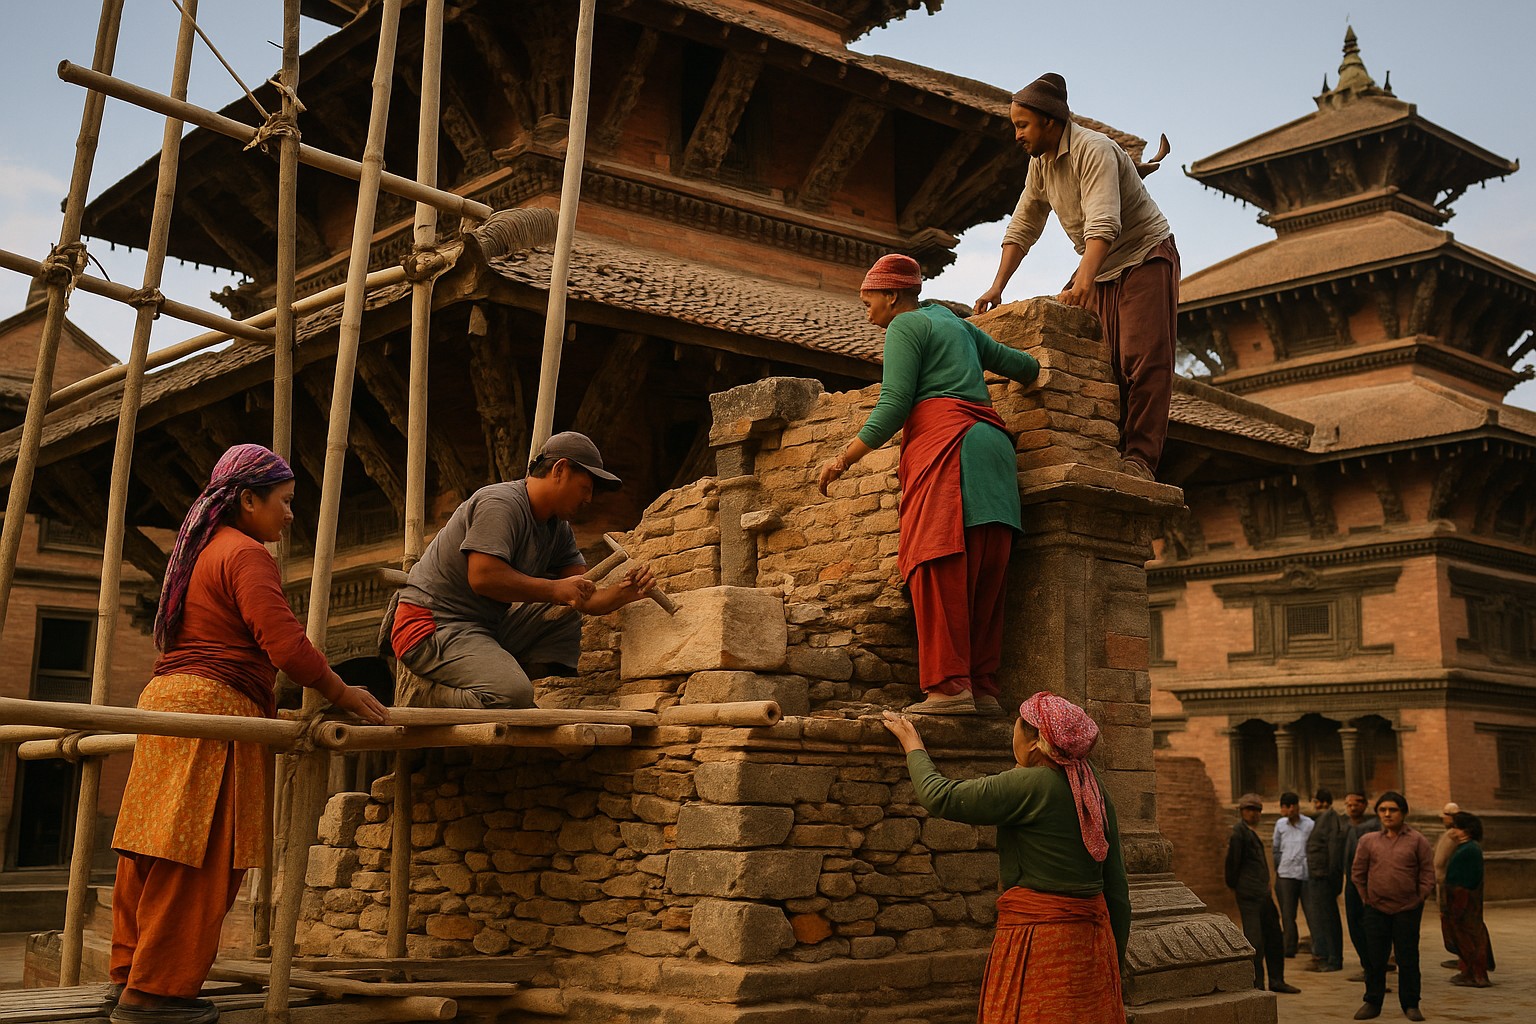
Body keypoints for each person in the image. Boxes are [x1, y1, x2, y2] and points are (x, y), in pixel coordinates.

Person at [109, 445, 389, 1024]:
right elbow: (286, 647)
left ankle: (128, 975)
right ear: (247, 500)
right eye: (283, 501)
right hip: (213, 712)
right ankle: (153, 993)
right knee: (199, 854)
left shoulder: (196, 551)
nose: (290, 514)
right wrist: (342, 692)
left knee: (152, 846)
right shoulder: (244, 553)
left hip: (166, 704)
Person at [819, 254, 1039, 715]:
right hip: (995, 452)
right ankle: (982, 689)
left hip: (949, 448)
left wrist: (843, 458)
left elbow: (894, 404)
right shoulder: (955, 323)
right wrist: (1039, 372)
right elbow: (1022, 365)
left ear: (892, 295)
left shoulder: (905, 325)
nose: (866, 310)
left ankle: (948, 689)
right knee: (985, 576)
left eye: (868, 300)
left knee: (937, 566)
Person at [972, 72, 1180, 481]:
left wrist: (1083, 283)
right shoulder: (1040, 165)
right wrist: (998, 286)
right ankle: (1101, 447)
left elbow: (1103, 222)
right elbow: (1024, 224)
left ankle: (1139, 459)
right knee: (1097, 359)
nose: (1017, 135)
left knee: (1142, 361)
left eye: (1022, 125)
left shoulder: (1094, 149)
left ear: (1049, 121)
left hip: (1143, 255)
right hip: (1099, 262)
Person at [881, 692, 1129, 1021]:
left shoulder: (1031, 784)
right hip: (1092, 944)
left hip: (1040, 941)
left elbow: (941, 797)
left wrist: (913, 747)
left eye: (1016, 728)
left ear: (1034, 742)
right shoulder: (1091, 786)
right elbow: (1116, 886)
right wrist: (1114, 964)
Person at [380, 431, 655, 708]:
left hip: (484, 627)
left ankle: (501, 682)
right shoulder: (500, 503)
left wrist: (624, 593)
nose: (589, 499)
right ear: (560, 470)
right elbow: (483, 577)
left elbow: (580, 594)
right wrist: (555, 589)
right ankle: (428, 696)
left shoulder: (558, 528)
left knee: (564, 617)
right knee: (513, 694)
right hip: (430, 625)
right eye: (585, 488)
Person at [1352, 791, 1434, 1021]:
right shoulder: (1368, 841)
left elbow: (1427, 873)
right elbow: (1358, 873)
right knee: (1375, 958)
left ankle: (1411, 1004)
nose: (1387, 814)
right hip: (1376, 908)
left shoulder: (1417, 840)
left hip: (1407, 909)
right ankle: (1373, 1001)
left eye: (1393, 810)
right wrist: (1367, 898)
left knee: (1407, 958)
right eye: (1383, 810)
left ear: (1404, 813)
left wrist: (1420, 897)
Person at [1224, 793, 1300, 994]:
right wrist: (1238, 887)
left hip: (1263, 895)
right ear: (1242, 812)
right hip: (1249, 895)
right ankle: (1256, 983)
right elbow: (1232, 864)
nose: (1254, 814)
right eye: (1249, 809)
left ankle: (1277, 980)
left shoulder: (1251, 833)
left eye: (1257, 810)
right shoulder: (1239, 834)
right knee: (1255, 940)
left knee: (1275, 937)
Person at [1440, 812, 1491, 988]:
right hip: (1457, 898)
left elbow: (1469, 878)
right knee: (1461, 937)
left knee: (1469, 937)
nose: (1453, 831)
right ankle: (1468, 971)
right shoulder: (1463, 848)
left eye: (1456, 827)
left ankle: (1477, 975)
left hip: (1464, 900)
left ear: (1466, 830)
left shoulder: (1470, 849)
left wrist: (1458, 901)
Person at [1305, 787, 1347, 972]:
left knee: (1329, 919)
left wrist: (1332, 877)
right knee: (1321, 918)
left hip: (1324, 877)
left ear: (1322, 802)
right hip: (1318, 875)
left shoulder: (1330, 819)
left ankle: (1334, 959)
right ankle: (1327, 955)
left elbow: (1334, 850)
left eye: (1316, 801)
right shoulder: (1322, 819)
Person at [1342, 789, 1382, 982]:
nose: (1352, 807)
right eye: (1349, 804)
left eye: (1357, 803)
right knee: (1355, 925)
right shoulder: (1344, 826)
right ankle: (1367, 965)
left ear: (1365, 805)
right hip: (1352, 882)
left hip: (1371, 883)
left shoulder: (1374, 828)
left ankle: (1375, 967)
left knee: (1371, 926)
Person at [1272, 791, 1314, 958]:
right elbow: (1276, 849)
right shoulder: (1280, 825)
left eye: (1291, 806)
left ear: (1297, 806)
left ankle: (1317, 947)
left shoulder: (1309, 824)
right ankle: (1289, 947)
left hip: (1306, 875)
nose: (1288, 810)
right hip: (1286, 874)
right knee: (1288, 914)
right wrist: (1279, 868)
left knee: (1311, 912)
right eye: (1284, 807)